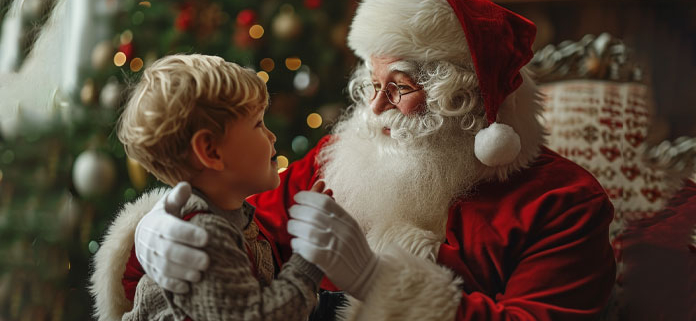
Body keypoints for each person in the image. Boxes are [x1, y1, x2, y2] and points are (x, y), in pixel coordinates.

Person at [91, 0, 617, 320]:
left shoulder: (563, 202)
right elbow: (240, 236)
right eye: (371, 81)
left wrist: (376, 283)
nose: (375, 106)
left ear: (472, 98)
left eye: (401, 87)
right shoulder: (337, 159)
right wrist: (156, 230)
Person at [92, 54, 325, 320]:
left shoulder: (235, 216)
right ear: (211, 151)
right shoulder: (202, 236)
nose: (272, 136)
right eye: (258, 124)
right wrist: (309, 255)